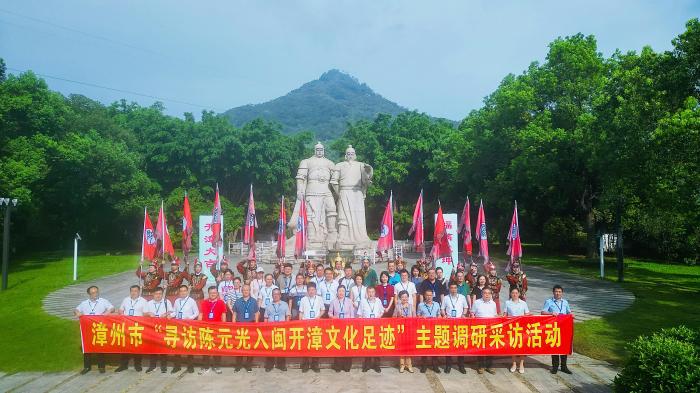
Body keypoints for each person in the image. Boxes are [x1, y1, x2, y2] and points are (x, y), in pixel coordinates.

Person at [75, 285, 114, 374]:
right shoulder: (84, 303)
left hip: (99, 327)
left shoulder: (103, 301)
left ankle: (101, 366)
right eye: (93, 293)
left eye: (96, 292)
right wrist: (78, 313)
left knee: (99, 346)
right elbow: (76, 310)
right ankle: (87, 367)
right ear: (89, 294)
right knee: (87, 347)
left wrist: (106, 313)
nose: (95, 294)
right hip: (88, 329)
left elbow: (112, 308)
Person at [115, 285, 147, 372]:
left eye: (135, 291)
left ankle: (137, 364)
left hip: (137, 327)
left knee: (137, 346)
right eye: (132, 291)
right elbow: (120, 310)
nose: (133, 293)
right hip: (127, 326)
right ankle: (123, 365)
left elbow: (145, 314)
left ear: (139, 291)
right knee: (125, 346)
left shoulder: (143, 301)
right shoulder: (126, 299)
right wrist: (121, 313)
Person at [542, 284, 572, 375]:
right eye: (556, 291)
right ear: (553, 292)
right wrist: (551, 313)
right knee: (555, 346)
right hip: (554, 326)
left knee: (564, 346)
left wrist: (571, 315)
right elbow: (543, 312)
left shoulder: (565, 302)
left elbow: (568, 312)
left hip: (564, 327)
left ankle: (564, 367)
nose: (558, 293)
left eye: (559, 292)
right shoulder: (549, 301)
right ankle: (555, 367)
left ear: (562, 293)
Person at [198, 286, 227, 375]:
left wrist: (223, 326)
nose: (213, 294)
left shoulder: (221, 303)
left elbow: (223, 315)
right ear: (208, 293)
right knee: (205, 348)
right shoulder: (204, 302)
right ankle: (205, 366)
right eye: (211, 293)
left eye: (214, 293)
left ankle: (216, 366)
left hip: (217, 329)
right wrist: (198, 325)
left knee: (216, 348)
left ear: (217, 293)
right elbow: (200, 314)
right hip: (205, 329)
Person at [442, 283, 468, 374]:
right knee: (449, 345)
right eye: (452, 288)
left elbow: (466, 307)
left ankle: (461, 365)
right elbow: (442, 309)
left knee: (460, 345)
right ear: (449, 289)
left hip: (460, 323)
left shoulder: (462, 297)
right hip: (449, 323)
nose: (453, 289)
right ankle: (448, 365)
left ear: (457, 289)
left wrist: (463, 314)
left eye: (455, 288)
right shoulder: (445, 298)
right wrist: (444, 315)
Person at [144, 287, 172, 373]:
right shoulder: (149, 303)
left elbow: (172, 311)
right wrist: (148, 313)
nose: (158, 295)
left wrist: (167, 314)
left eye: (160, 293)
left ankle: (163, 366)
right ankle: (152, 366)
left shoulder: (166, 302)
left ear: (162, 294)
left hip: (163, 328)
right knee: (152, 348)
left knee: (163, 348)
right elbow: (144, 313)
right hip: (151, 329)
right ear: (153, 294)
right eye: (156, 294)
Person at [171, 285, 199, 373]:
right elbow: (174, 312)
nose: (182, 292)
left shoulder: (191, 301)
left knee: (188, 346)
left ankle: (190, 366)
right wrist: (170, 316)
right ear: (179, 292)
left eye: (184, 291)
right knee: (177, 346)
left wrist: (190, 318)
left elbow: (196, 313)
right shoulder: (177, 301)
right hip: (178, 326)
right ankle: (177, 366)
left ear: (187, 292)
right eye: (181, 291)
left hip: (188, 326)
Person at [232, 284, 259, 372]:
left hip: (251, 325)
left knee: (250, 346)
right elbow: (234, 313)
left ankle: (248, 365)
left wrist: (256, 324)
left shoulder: (254, 301)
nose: (245, 291)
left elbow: (256, 313)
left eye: (247, 290)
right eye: (244, 290)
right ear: (241, 291)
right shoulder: (238, 301)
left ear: (249, 291)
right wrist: (233, 324)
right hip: (240, 326)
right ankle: (238, 365)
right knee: (239, 346)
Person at [471, 288, 497, 375]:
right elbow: (472, 313)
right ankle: (481, 366)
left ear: (491, 295)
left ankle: (490, 366)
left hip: (491, 328)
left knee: (491, 348)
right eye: (485, 293)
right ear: (482, 294)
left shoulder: (493, 303)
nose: (487, 295)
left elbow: (495, 315)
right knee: (481, 347)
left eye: (489, 293)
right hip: (480, 328)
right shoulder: (477, 302)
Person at [328, 285, 355, 372]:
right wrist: (333, 317)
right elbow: (329, 313)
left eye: (343, 291)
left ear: (345, 292)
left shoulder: (349, 301)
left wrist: (350, 324)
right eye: (339, 291)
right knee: (338, 345)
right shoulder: (333, 302)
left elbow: (352, 315)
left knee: (347, 345)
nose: (341, 293)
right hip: (337, 326)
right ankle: (338, 366)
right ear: (337, 292)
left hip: (347, 326)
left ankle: (347, 365)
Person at [357, 286, 384, 372]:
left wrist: (378, 318)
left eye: (372, 292)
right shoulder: (363, 301)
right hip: (366, 327)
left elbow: (381, 311)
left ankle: (377, 365)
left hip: (376, 326)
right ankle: (367, 365)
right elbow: (360, 314)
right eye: (369, 292)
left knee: (377, 346)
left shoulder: (378, 301)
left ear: (375, 293)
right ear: (366, 293)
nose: (371, 294)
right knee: (367, 346)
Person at [504, 287, 530, 373]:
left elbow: (527, 314)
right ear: (510, 294)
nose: (514, 294)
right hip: (511, 327)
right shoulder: (507, 303)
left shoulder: (523, 303)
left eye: (516, 293)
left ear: (519, 294)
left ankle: (521, 364)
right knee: (513, 346)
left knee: (522, 346)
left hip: (522, 327)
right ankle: (514, 363)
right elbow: (505, 314)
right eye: (513, 293)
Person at [264, 289, 291, 371]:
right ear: (272, 296)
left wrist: (286, 327)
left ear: (280, 295)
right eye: (274, 294)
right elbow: (266, 318)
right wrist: (266, 329)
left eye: (277, 294)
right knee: (270, 347)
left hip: (281, 329)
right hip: (271, 330)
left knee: (281, 347)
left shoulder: (285, 304)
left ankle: (281, 365)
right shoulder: (268, 305)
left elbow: (288, 316)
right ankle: (269, 365)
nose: (276, 296)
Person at [299, 282, 323, 372]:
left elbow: (323, 309)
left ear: (316, 290)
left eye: (313, 290)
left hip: (316, 325)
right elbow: (301, 312)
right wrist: (300, 322)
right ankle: (305, 364)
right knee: (306, 345)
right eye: (310, 290)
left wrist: (318, 317)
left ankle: (315, 364)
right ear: (307, 291)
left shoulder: (319, 299)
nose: (311, 291)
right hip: (306, 324)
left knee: (315, 344)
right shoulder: (303, 299)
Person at [416, 289, 440, 373]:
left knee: (435, 348)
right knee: (425, 348)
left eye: (430, 295)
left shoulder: (437, 304)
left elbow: (439, 315)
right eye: (427, 295)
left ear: (433, 295)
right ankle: (424, 366)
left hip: (434, 329)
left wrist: (439, 317)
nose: (429, 297)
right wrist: (422, 318)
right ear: (424, 296)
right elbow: (418, 315)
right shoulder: (420, 305)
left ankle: (435, 366)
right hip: (424, 329)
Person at [393, 290, 415, 373]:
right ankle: (402, 365)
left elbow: (415, 318)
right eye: (402, 297)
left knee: (409, 348)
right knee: (402, 348)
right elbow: (393, 318)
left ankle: (409, 365)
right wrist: (399, 317)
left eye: (406, 297)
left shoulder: (411, 306)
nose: (404, 298)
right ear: (400, 298)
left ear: (408, 298)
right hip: (401, 330)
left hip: (409, 330)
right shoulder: (397, 306)